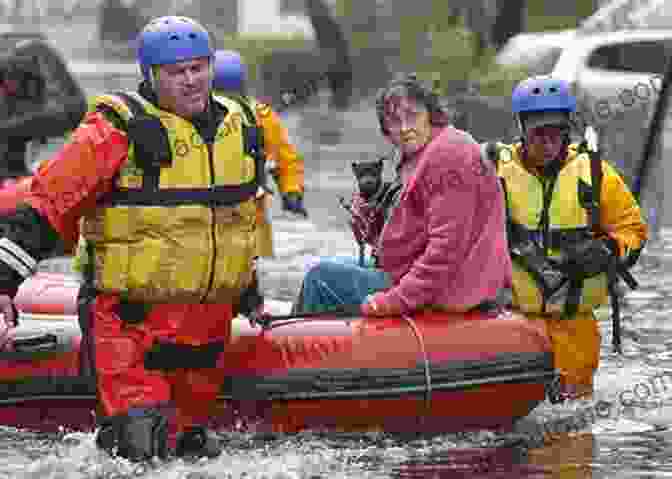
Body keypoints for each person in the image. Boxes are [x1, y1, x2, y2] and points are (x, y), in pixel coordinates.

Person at [0, 16, 267, 461]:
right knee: (140, 452)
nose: (190, 80)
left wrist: (250, 289)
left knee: (190, 453)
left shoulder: (241, 127)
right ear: (151, 76)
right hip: (130, 326)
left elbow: (235, 224)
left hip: (204, 329)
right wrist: (4, 282)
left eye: (198, 68)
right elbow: (48, 207)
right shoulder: (114, 130)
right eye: (175, 71)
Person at [294, 73, 512, 317]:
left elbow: (446, 253)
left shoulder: (449, 155)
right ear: (385, 129)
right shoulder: (419, 152)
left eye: (412, 116)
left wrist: (392, 302)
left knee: (321, 278)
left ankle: (288, 350)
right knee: (329, 266)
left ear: (431, 113)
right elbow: (411, 237)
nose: (405, 128)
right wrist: (372, 222)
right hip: (424, 275)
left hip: (455, 288)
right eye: (394, 121)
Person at [488, 75, 648, 399]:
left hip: (573, 328)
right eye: (538, 133)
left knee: (570, 428)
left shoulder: (596, 174)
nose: (547, 142)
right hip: (512, 324)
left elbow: (632, 230)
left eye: (556, 133)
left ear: (567, 130)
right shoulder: (493, 171)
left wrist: (607, 250)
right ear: (521, 128)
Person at [212, 49, 307, 258]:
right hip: (209, 219)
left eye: (232, 94)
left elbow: (285, 159)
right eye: (220, 94)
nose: (228, 102)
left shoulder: (261, 116)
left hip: (253, 218)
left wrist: (292, 192)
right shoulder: (192, 117)